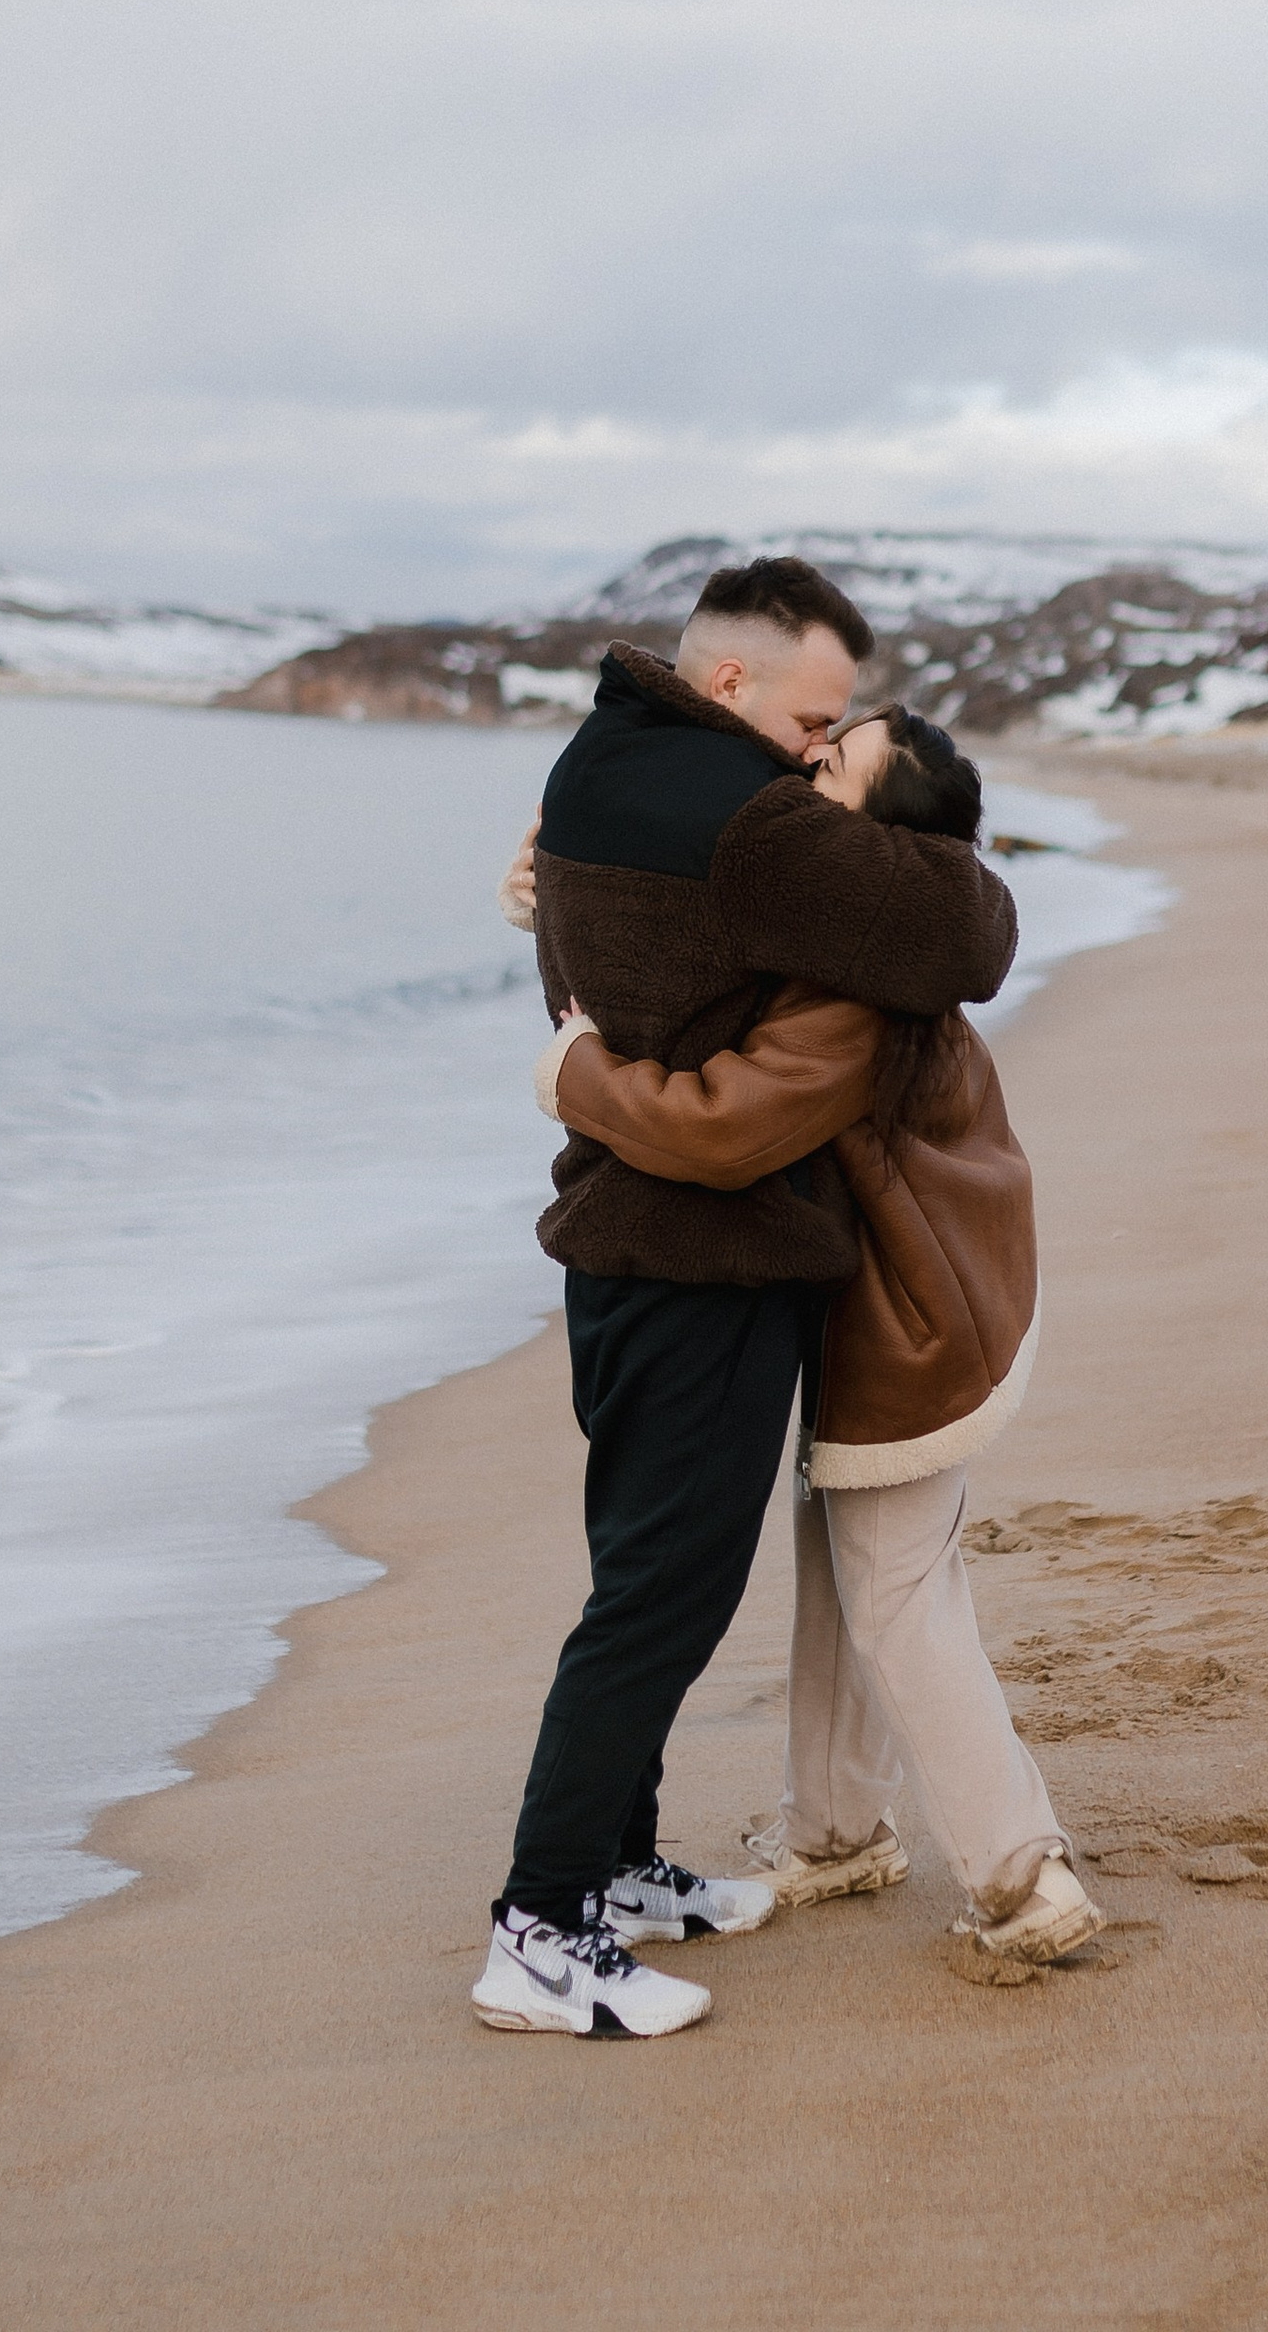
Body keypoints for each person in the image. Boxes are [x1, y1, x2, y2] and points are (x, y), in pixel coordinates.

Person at [471, 559, 1017, 2040]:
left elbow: (583, 938)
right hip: (698, 1261)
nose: (811, 745)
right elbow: (974, 933)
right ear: (730, 687)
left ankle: (622, 1859)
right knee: (664, 1592)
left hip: (620, 1250)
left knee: (639, 1572)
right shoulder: (755, 825)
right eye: (815, 716)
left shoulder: (595, 763)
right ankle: (541, 1925)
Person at [536, 703, 1102, 1974]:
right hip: (901, 1310)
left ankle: (1024, 1878)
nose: (800, 762)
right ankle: (839, 1831)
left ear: (878, 831)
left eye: (830, 761)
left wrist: (569, 1070)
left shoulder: (861, 986)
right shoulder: (847, 930)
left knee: (898, 1590)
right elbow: (704, 941)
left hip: (921, 1327)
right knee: (840, 1561)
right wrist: (545, 890)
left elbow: (718, 1123)